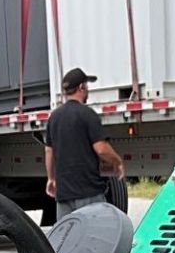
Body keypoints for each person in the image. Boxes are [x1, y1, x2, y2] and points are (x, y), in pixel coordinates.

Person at [44, 67, 125, 218]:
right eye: (87, 86)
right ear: (81, 87)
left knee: (68, 237)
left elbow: (49, 151)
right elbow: (101, 149)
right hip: (88, 193)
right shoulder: (87, 115)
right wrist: (117, 161)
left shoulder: (54, 118)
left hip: (63, 195)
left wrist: (51, 178)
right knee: (94, 236)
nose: (87, 89)